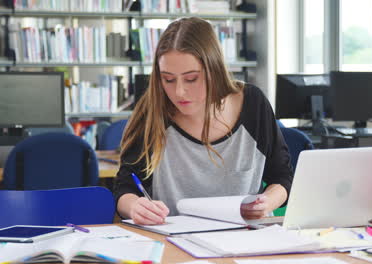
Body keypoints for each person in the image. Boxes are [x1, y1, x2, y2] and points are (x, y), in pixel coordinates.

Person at [113, 17, 293, 225]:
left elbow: (282, 177)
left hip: (245, 239)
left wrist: (267, 203)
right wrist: (135, 206)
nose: (179, 91)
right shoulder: (152, 112)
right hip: (175, 242)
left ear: (214, 71)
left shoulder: (253, 104)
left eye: (191, 79)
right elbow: (125, 188)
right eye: (168, 79)